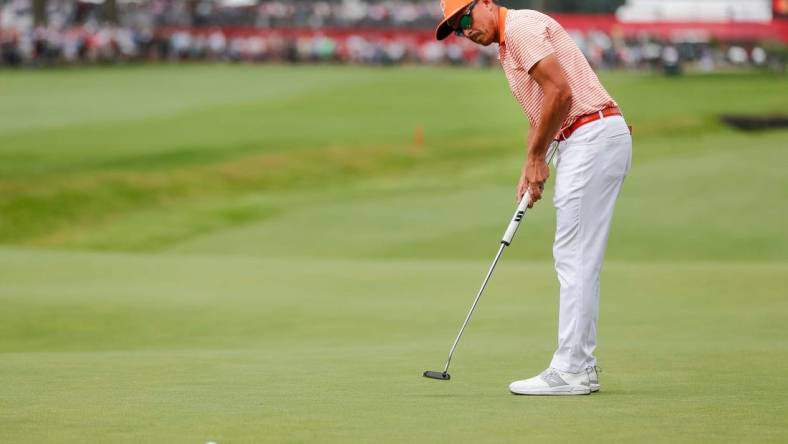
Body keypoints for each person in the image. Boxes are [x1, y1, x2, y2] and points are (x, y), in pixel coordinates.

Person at [435, 0, 632, 395]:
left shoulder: (521, 29)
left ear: (487, 4)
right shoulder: (508, 46)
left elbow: (560, 93)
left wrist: (538, 156)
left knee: (574, 256)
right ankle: (581, 367)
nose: (466, 32)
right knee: (577, 257)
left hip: (589, 134)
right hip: (586, 138)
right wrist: (531, 168)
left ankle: (572, 369)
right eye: (457, 29)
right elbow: (541, 108)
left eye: (467, 19)